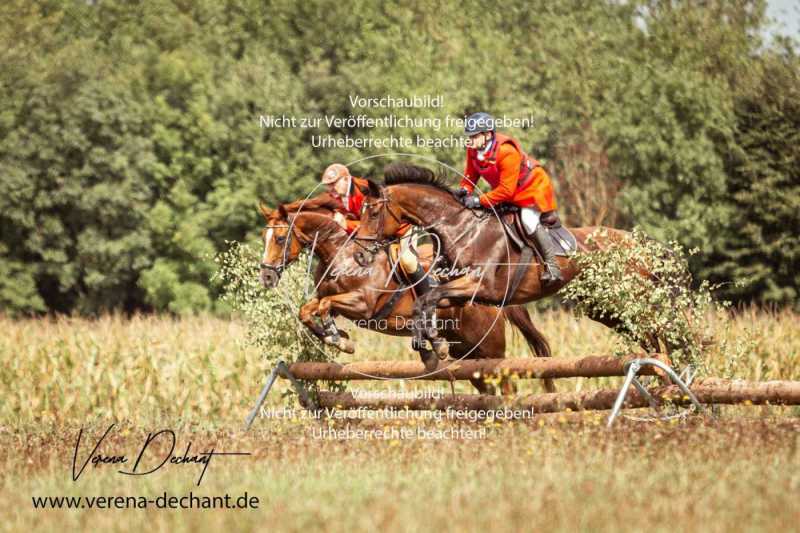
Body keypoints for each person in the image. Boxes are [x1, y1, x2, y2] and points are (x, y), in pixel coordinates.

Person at [456, 112, 563, 283]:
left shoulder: (507, 152)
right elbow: (470, 175)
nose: (471, 140)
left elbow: (506, 191)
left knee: (528, 220)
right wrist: (464, 189)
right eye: (470, 136)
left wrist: (478, 200)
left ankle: (553, 267)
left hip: (532, 189)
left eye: (474, 136)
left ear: (487, 134)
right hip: (508, 190)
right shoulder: (473, 150)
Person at [320, 164, 433, 294]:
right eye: (328, 185)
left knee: (408, 260)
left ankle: (428, 298)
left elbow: (372, 225)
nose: (331, 188)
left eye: (334, 183)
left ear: (346, 179)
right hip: (378, 236)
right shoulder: (336, 197)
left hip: (401, 229)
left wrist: (346, 224)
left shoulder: (364, 190)